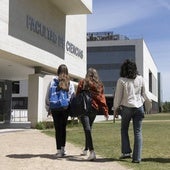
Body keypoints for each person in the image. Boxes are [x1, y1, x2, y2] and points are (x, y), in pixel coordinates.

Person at [113, 59, 151, 163]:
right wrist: (145, 103)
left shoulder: (121, 80)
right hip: (139, 107)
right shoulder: (140, 78)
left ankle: (126, 153)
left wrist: (115, 109)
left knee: (124, 129)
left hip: (126, 107)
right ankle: (137, 158)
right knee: (138, 132)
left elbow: (118, 97)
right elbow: (145, 94)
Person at [76, 68, 109, 161]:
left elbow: (77, 95)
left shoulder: (82, 82)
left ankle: (92, 151)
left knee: (87, 129)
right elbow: (102, 98)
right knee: (88, 129)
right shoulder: (99, 85)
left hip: (84, 108)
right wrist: (105, 111)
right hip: (94, 109)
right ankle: (86, 149)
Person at [45, 64, 75, 157]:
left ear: (58, 71)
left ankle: (58, 151)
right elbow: (72, 96)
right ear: (67, 72)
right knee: (63, 128)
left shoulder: (53, 82)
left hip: (55, 108)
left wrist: (48, 108)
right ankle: (63, 149)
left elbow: (48, 95)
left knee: (57, 129)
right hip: (65, 108)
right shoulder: (70, 83)